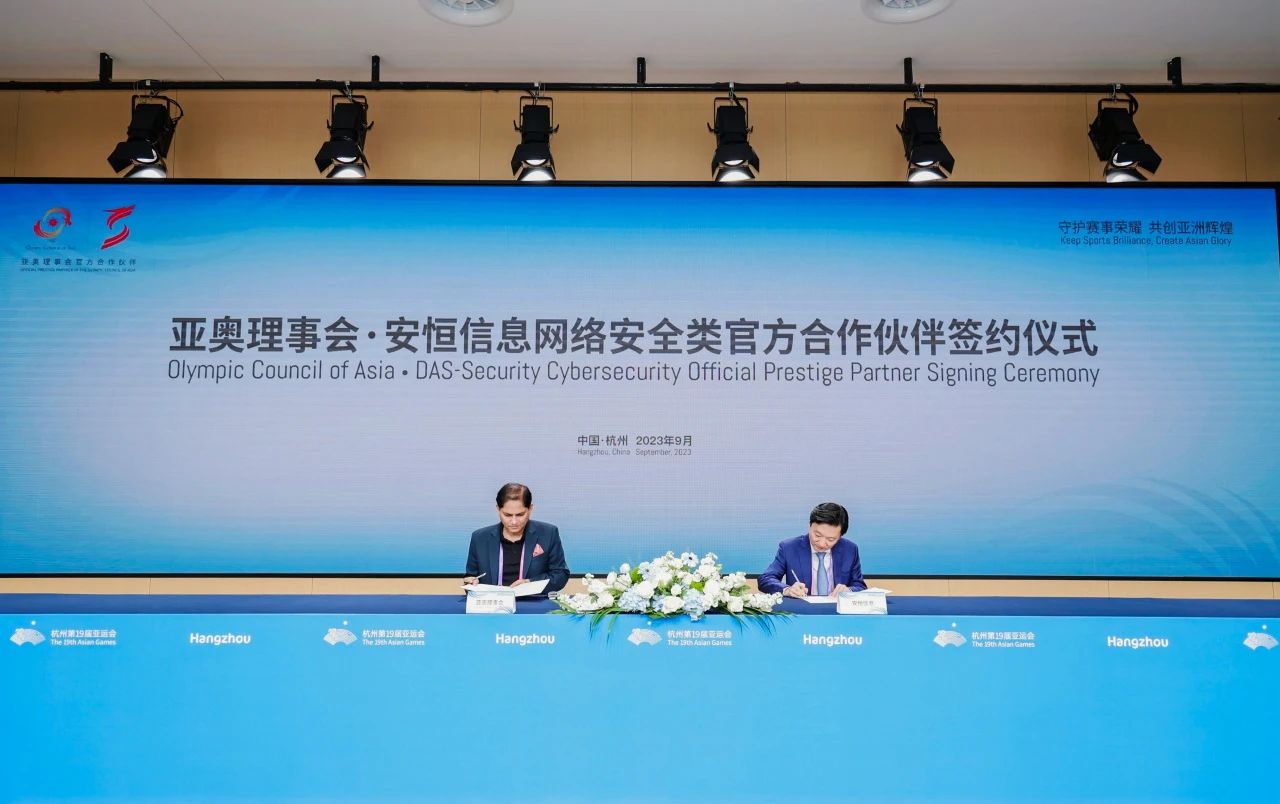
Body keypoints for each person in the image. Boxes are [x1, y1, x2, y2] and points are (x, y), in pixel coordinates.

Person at [463, 483, 569, 594]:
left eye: (520, 515)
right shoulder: (479, 538)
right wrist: (470, 582)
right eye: (507, 515)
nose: (514, 522)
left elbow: (560, 575)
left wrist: (530, 584)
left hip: (533, 600)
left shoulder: (548, 533)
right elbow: (470, 578)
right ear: (498, 510)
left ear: (530, 509)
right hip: (493, 601)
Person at [758, 502, 866, 597]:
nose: (822, 544)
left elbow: (859, 586)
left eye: (831, 539)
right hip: (802, 610)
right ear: (809, 526)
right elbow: (766, 579)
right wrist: (787, 590)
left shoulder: (850, 550)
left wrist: (849, 590)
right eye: (817, 535)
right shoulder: (789, 548)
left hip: (836, 609)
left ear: (840, 536)